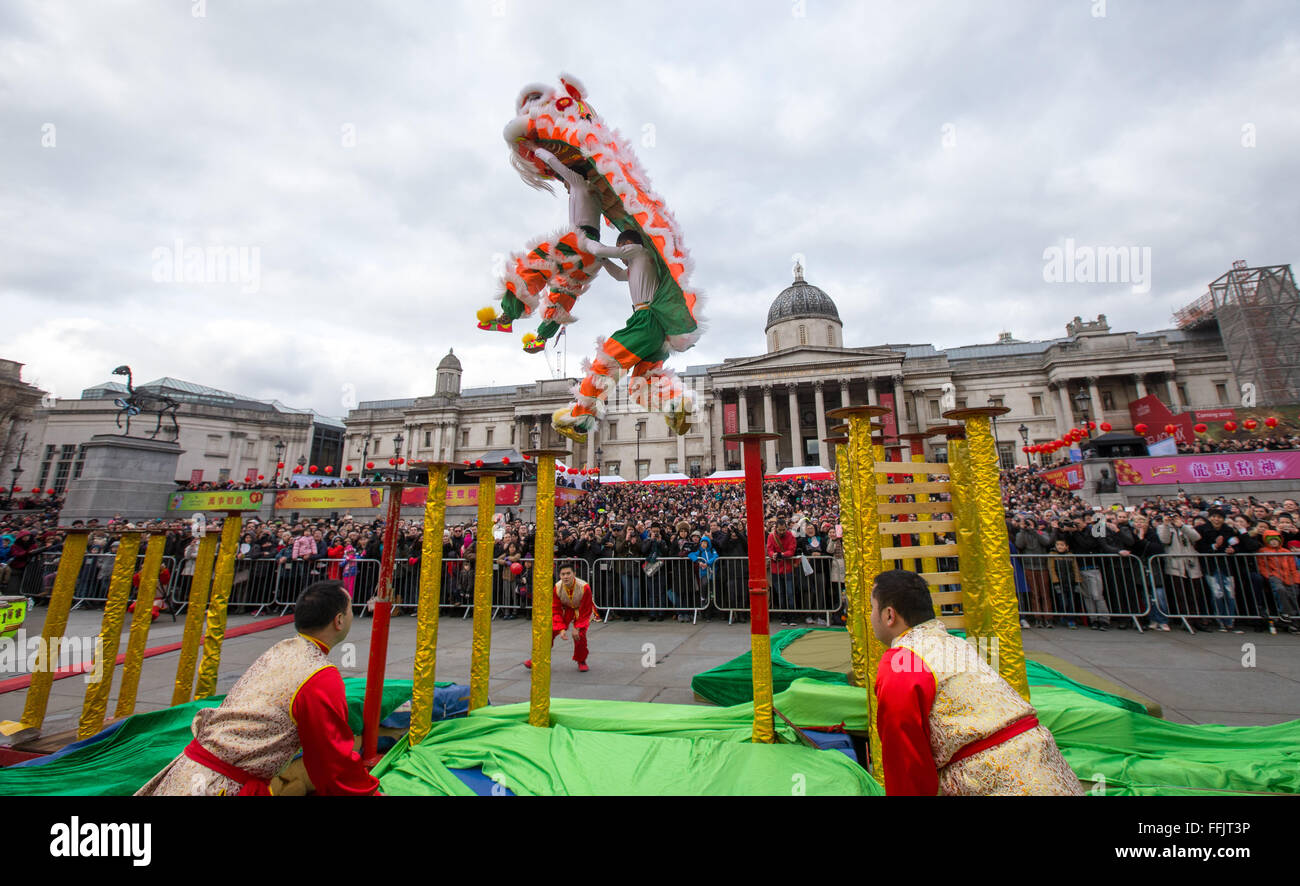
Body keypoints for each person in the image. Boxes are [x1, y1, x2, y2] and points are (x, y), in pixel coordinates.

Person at [135, 581, 379, 796]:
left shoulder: (282, 649)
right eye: (349, 610)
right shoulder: (320, 675)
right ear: (338, 620)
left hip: (189, 771)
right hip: (221, 785)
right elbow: (331, 761)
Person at [870, 569, 1083, 796]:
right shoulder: (957, 645)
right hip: (1046, 762)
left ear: (889, 615)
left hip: (994, 777)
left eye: (872, 607)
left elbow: (906, 755)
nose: (871, 615)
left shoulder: (903, 659)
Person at [551, 229, 699, 443]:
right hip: (657, 330)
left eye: (621, 248)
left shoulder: (638, 251)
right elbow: (619, 274)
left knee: (605, 362)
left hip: (645, 320)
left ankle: (581, 418)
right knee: (642, 383)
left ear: (626, 244)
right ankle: (677, 401)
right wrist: (601, 261)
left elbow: (602, 249)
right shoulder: (641, 263)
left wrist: (586, 243)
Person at [524, 564, 596, 673]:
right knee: (548, 633)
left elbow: (586, 610)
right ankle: (537, 659)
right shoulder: (557, 587)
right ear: (560, 576)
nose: (566, 576)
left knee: (580, 635)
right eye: (563, 574)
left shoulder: (584, 587)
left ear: (574, 574)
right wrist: (561, 629)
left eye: (568, 573)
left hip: (581, 610)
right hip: (565, 609)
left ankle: (581, 661)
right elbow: (556, 609)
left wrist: (577, 627)